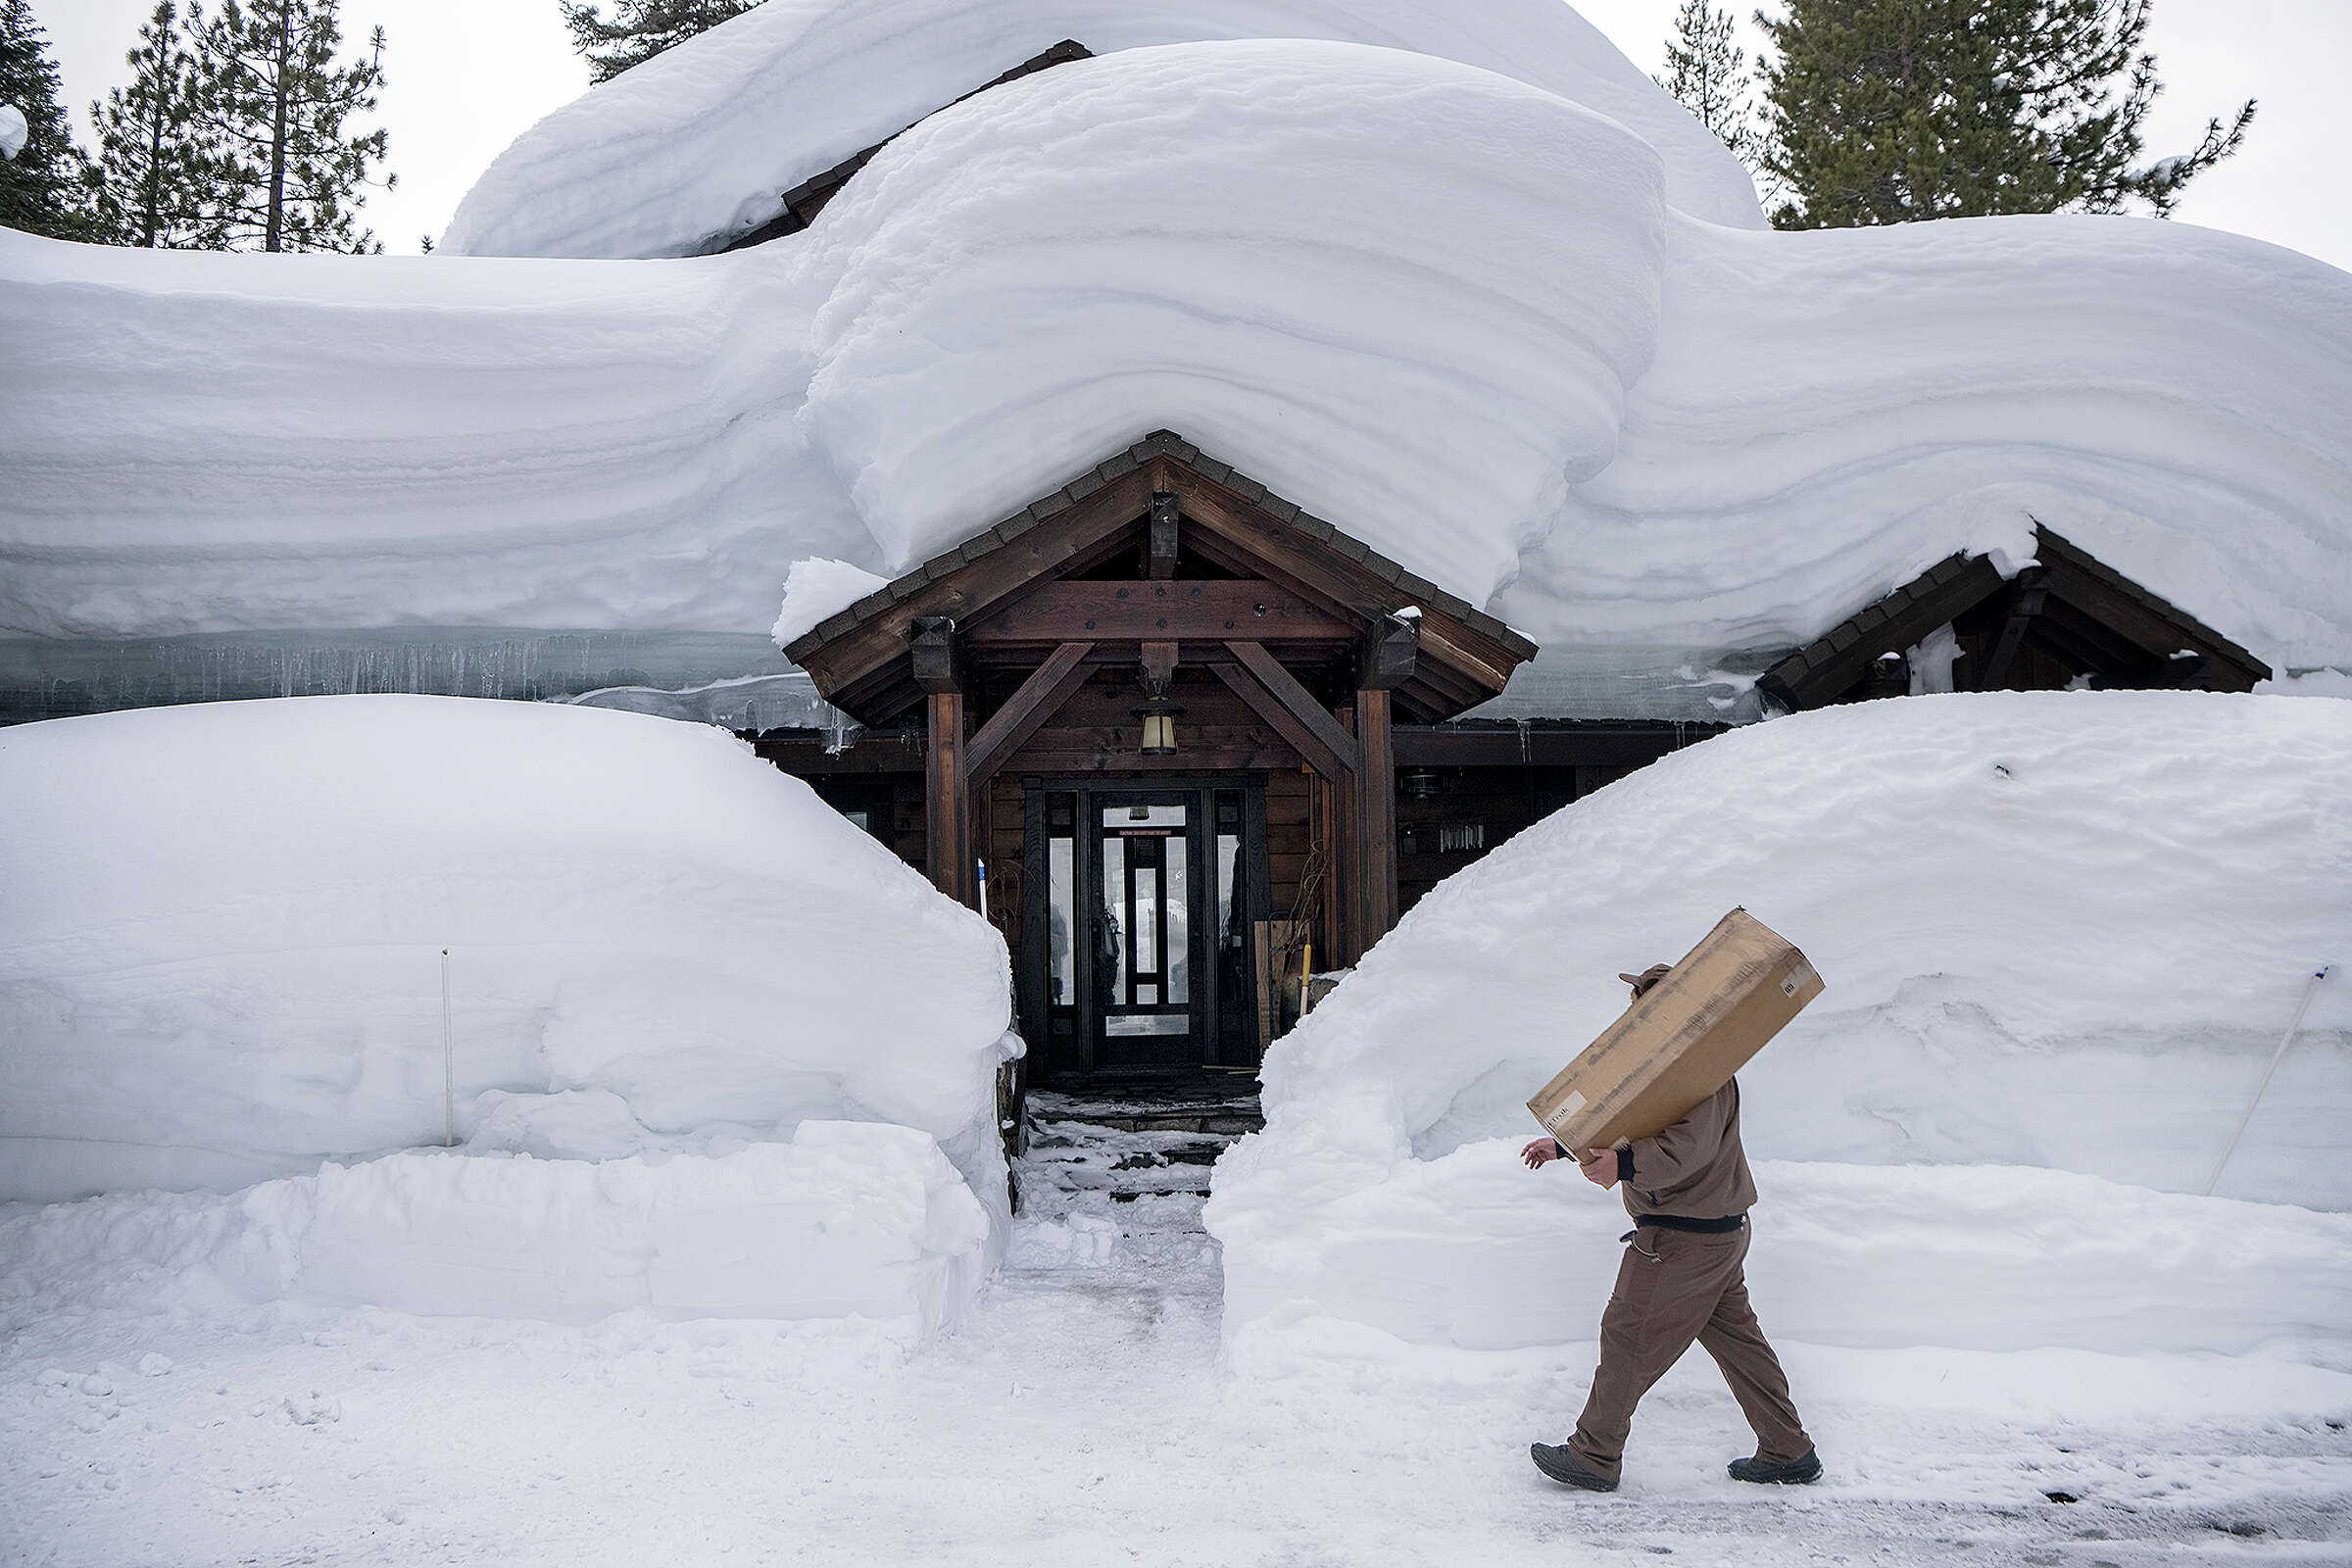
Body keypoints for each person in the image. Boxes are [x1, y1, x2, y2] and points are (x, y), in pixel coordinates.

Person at [1520, 962, 1821, 1494]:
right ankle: (1787, 1448)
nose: (1631, 1013)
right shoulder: (1666, 1067)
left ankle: (1594, 1454)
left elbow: (1687, 1148)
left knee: (1628, 1334)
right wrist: (1567, 1147)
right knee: (1738, 1342)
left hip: (1684, 1238)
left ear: (1666, 1012)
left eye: (1641, 1004)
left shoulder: (1702, 1071)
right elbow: (1632, 1121)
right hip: (1715, 1232)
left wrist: (1626, 1168)